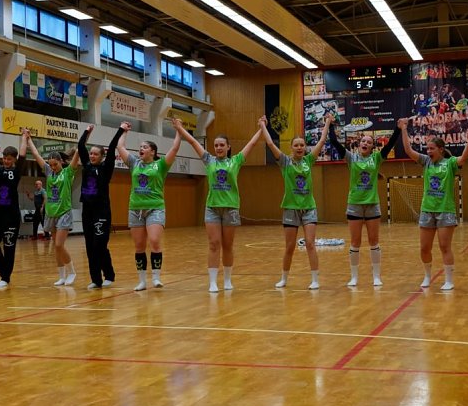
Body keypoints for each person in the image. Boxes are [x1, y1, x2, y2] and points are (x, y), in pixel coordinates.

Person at [175, 117, 264, 292]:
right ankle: (213, 282)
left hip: (231, 208)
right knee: (214, 244)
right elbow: (193, 142)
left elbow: (252, 145)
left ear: (228, 147)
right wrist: (180, 128)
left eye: (222, 145)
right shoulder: (209, 160)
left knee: (228, 245)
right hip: (212, 208)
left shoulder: (236, 161)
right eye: (216, 145)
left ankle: (228, 279)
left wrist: (262, 128)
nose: (218, 148)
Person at [399, 118, 468, 290]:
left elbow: (464, 157)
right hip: (427, 210)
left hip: (445, 210)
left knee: (444, 246)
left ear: (440, 150)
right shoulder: (426, 162)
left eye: (431, 149)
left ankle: (449, 280)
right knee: (424, 248)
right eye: (427, 149)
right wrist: (403, 129)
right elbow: (408, 150)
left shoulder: (449, 164)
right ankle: (427, 276)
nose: (428, 151)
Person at [328, 117, 401, 287]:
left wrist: (398, 129)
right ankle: (354, 277)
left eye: (369, 142)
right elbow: (334, 142)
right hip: (354, 204)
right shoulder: (351, 158)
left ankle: (376, 276)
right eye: (363, 141)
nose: (365, 143)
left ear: (372, 146)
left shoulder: (376, 159)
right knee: (355, 242)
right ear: (359, 144)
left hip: (372, 204)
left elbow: (390, 144)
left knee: (373, 241)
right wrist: (330, 125)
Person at [261, 115, 330, 289]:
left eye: (302, 145)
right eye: (296, 145)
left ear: (305, 147)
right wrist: (263, 126)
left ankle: (315, 279)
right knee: (290, 246)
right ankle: (284, 278)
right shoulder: (285, 162)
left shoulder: (308, 160)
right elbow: (270, 144)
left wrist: (328, 122)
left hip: (308, 208)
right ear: (291, 147)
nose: (299, 147)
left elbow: (321, 142)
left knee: (310, 243)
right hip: (290, 208)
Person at [116, 118, 183, 291]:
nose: (141, 149)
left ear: (153, 151)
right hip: (135, 209)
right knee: (139, 246)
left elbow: (175, 148)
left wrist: (178, 130)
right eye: (140, 147)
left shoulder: (160, 165)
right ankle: (142, 281)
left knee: (154, 241)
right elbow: (120, 147)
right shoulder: (134, 163)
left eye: (145, 147)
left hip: (155, 208)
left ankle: (156, 277)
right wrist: (124, 132)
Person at [26, 137, 80, 286]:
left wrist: (85, 137)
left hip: (64, 212)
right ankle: (61, 276)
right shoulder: (49, 172)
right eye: (51, 165)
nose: (53, 167)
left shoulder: (68, 173)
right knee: (56, 247)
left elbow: (78, 154)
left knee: (58, 245)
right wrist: (29, 139)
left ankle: (72, 272)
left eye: (55, 164)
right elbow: (36, 155)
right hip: (51, 213)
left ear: (61, 162)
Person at [77, 123, 124, 289]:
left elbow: (112, 148)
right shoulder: (87, 165)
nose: (92, 156)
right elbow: (80, 146)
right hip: (87, 211)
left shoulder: (106, 167)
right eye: (91, 153)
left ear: (102, 156)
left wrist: (121, 130)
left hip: (102, 210)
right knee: (90, 246)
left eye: (96, 154)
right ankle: (95, 279)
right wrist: (87, 132)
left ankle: (109, 274)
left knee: (100, 244)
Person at [0, 124, 28, 288]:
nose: (5, 160)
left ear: (14, 160)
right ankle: (3, 272)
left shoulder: (16, 172)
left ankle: (5, 277)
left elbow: (23, 154)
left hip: (11, 216)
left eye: (9, 158)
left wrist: (24, 136)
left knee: (9, 246)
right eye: (4, 158)